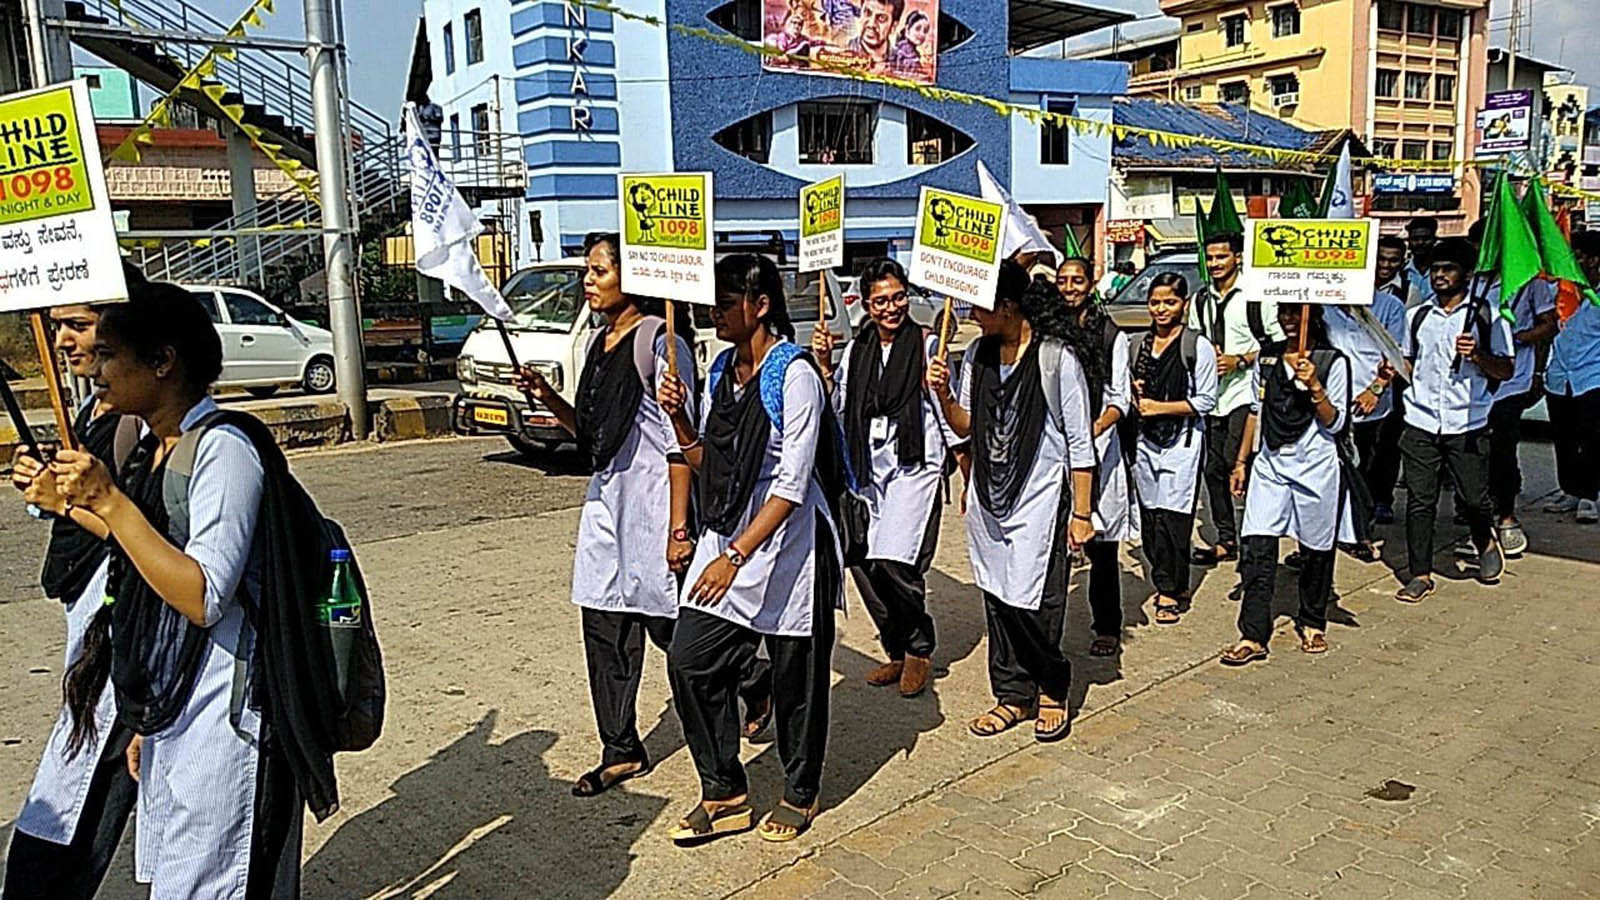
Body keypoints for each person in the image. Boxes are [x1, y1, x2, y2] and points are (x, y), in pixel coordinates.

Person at [47, 284, 315, 897]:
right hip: (176, 707)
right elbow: (146, 575)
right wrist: (149, 720)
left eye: (109, 354)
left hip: (226, 717)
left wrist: (109, 503)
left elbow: (202, 595)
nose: (95, 369)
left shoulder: (224, 450)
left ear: (162, 361)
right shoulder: (152, 449)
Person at [656, 253, 844, 845]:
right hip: (730, 528)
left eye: (725, 301)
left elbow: (792, 484)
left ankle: (801, 791)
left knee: (797, 679)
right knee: (690, 660)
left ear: (760, 306)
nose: (713, 312)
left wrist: (733, 556)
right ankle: (725, 791)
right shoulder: (718, 371)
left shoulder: (796, 376)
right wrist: (680, 421)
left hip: (789, 544)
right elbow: (710, 465)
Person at [512, 232, 702, 797]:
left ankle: (754, 682)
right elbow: (591, 433)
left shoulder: (662, 342)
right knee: (603, 624)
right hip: (605, 506)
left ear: (631, 277)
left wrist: (679, 527)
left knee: (673, 629)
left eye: (599, 271)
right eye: (587, 270)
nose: (587, 281)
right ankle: (621, 749)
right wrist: (548, 397)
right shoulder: (600, 341)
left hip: (653, 507)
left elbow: (680, 442)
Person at [4, 295, 140, 900]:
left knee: (81, 797)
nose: (62, 340)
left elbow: (145, 536)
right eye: (57, 325)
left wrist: (66, 502)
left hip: (119, 633)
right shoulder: (93, 405)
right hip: (88, 624)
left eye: (79, 326)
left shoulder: (142, 423)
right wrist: (45, 488)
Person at [926, 264, 1097, 744]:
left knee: (1037, 601)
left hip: (1040, 502)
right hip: (989, 500)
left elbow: (1080, 444)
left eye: (979, 308)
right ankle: (1011, 695)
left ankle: (1051, 689)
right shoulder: (977, 354)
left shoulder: (1056, 359)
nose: (971, 317)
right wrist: (942, 394)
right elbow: (965, 425)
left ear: (1007, 307)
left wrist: (1082, 514)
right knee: (998, 599)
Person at [812, 258, 952, 698]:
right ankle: (897, 649)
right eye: (881, 301)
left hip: (914, 466)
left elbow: (950, 420)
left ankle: (919, 648)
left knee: (896, 560)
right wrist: (824, 367)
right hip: (869, 471)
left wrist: (942, 389)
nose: (891, 308)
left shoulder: (927, 345)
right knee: (865, 563)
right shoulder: (859, 348)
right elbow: (839, 406)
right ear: (868, 306)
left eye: (898, 297)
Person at [1221, 305, 1354, 665]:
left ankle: (1312, 621)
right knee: (1257, 547)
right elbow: (1255, 411)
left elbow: (1335, 423)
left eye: (1298, 313)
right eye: (1285, 312)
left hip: (1316, 468)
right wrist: (1241, 462)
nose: (1290, 320)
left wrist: (1314, 386)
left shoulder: (1332, 361)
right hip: (1270, 466)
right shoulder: (1267, 359)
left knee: (1316, 549)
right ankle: (1253, 634)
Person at [1394, 238, 1514, 603]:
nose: (1440, 276)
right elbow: (1408, 361)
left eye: (1449, 269)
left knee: (1473, 498)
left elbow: (1506, 369)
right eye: (1435, 269)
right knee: (1420, 501)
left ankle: (1484, 539)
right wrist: (1389, 372)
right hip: (1421, 419)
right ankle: (1420, 573)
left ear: (1467, 274)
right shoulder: (1417, 316)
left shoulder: (1488, 316)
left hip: (1468, 422)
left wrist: (1477, 355)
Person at [1188, 232, 1284, 567]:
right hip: (1213, 394)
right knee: (1212, 469)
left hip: (1247, 392)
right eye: (1211, 257)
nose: (1215, 263)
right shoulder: (1201, 299)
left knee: (1237, 462)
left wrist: (1240, 359)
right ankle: (1227, 539)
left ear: (1238, 257)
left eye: (1222, 257)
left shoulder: (1257, 296)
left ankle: (1258, 537)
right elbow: (1194, 340)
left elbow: (1277, 343)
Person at [1056, 257, 1134, 656]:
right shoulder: (1049, 331)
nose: (1069, 287)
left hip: (1098, 449)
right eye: (1063, 280)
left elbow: (1121, 398)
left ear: (1090, 284)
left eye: (1077, 280)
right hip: (1054, 453)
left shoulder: (1110, 335)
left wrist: (1089, 431)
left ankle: (1107, 626)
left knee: (1102, 549)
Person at [1132, 274, 1219, 625]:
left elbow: (1206, 401)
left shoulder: (1196, 346)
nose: (1161, 309)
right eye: (1155, 302)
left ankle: (1167, 590)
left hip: (1182, 443)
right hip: (1145, 443)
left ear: (1184, 304)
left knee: (1174, 519)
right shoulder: (1138, 345)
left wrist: (1160, 408)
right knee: (1150, 519)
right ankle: (1174, 580)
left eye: (1169, 302)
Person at [1324, 248, 1407, 554]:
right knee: (1331, 472)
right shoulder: (1321, 308)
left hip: (1370, 407)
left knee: (1365, 472)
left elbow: (1397, 355)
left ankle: (1361, 532)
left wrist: (1376, 388)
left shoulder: (1389, 307)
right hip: (1329, 406)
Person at [1480, 272, 1558, 557]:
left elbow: (1548, 325)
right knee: (1475, 452)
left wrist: (1516, 337)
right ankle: (1478, 516)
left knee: (1503, 448)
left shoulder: (1531, 283)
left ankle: (1506, 515)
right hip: (1476, 379)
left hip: (1513, 381)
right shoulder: (1473, 281)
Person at [1544, 230, 1600, 523]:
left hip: (1592, 378)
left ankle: (1590, 496)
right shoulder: (1565, 292)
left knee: (1591, 439)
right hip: (1559, 377)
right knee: (1564, 438)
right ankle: (1570, 490)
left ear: (1593, 260)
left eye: (1577, 257)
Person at [1365, 236, 1413, 524]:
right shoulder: (1345, 294)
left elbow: (1402, 345)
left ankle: (1382, 498)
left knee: (1387, 444)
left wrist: (1380, 384)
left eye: (1393, 260)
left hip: (1394, 379)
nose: (1386, 265)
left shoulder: (1407, 292)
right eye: (1381, 259)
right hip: (1353, 382)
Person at [847, 0, 903, 70]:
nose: (871, 24)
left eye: (881, 18)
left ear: (893, 27)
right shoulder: (845, 50)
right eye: (867, 13)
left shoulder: (901, 62)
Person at [1403, 217, 1439, 309]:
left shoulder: (1442, 272)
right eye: (1415, 239)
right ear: (1409, 242)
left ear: (1434, 240)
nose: (1420, 242)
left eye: (1426, 238)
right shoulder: (1401, 272)